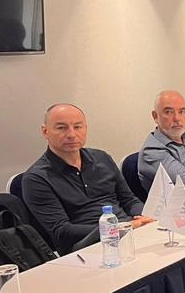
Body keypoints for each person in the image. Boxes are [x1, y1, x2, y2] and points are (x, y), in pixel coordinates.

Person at [23, 103, 152, 254]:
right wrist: (121, 227)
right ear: (45, 131)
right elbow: (62, 231)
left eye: (77, 127)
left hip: (130, 233)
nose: (71, 134)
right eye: (62, 128)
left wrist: (147, 216)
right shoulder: (36, 178)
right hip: (86, 247)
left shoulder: (102, 158)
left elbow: (129, 200)